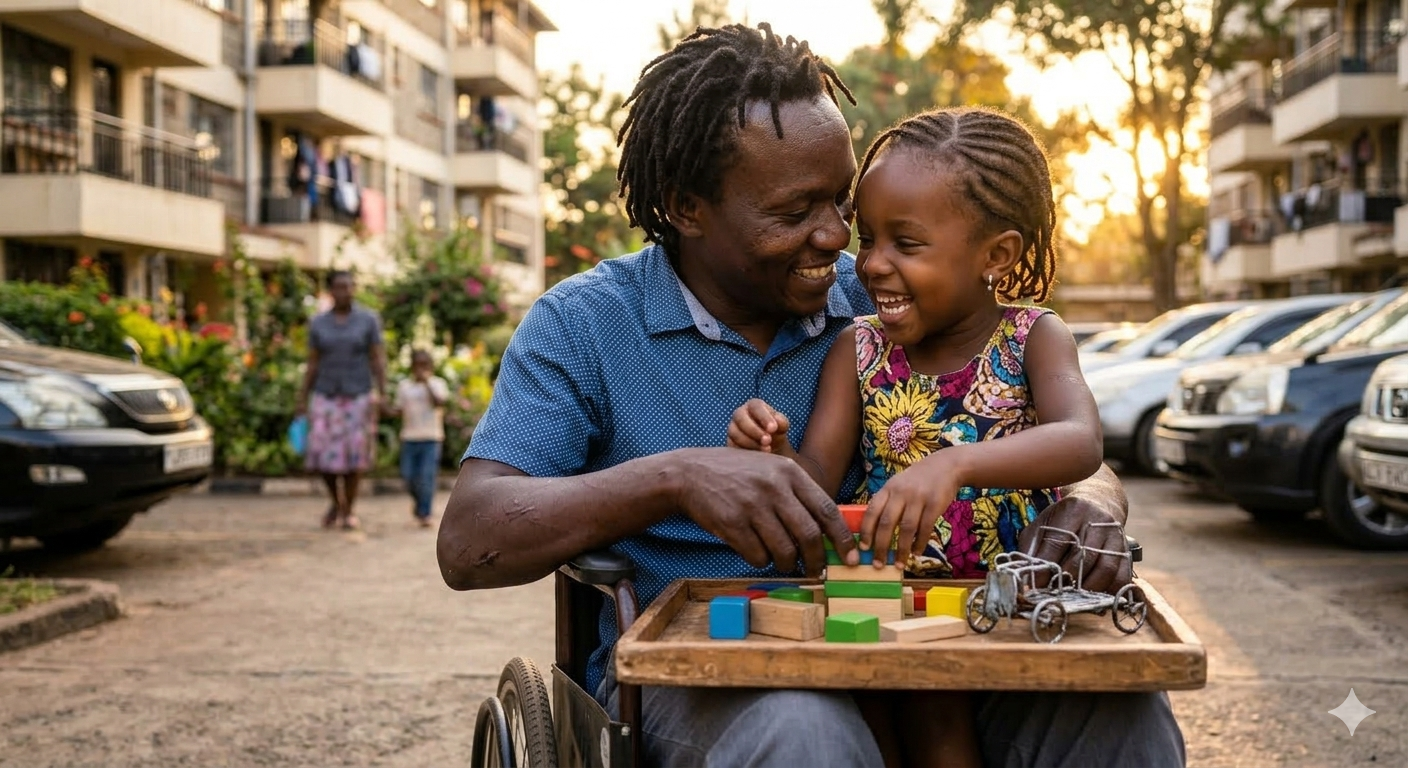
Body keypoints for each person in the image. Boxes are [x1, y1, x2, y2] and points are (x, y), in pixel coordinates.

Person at [439, 23, 1184, 768]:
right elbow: (470, 541)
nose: (836, 237)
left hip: (938, 631)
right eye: (796, 212)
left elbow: (1042, 423)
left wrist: (1090, 502)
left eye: (842, 203)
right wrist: (676, 477)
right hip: (706, 667)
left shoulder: (890, 292)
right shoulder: (586, 324)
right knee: (807, 734)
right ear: (687, 207)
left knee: (1123, 722)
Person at [727, 105, 1104, 768]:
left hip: (1012, 607)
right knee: (890, 727)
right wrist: (774, 454)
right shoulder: (858, 350)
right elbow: (816, 481)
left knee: (947, 734)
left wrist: (955, 465)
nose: (871, 264)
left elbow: (1080, 440)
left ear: (996, 255)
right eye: (868, 238)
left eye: (907, 243)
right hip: (889, 603)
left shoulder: (1033, 338)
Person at [298, 270, 386, 532]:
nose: (344, 292)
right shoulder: (318, 323)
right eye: (338, 287)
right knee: (323, 457)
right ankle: (336, 501)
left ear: (354, 288)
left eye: (348, 286)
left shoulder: (368, 320)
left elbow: (377, 357)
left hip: (357, 394)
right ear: (330, 290)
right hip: (325, 395)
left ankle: (348, 510)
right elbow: (312, 362)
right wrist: (302, 398)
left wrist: (383, 391)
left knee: (353, 458)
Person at [392, 349, 449, 528]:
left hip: (431, 438)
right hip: (409, 437)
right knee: (408, 475)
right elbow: (399, 409)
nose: (420, 369)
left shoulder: (438, 384)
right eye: (417, 365)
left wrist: (426, 384)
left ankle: (425, 513)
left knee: (426, 477)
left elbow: (439, 403)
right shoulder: (404, 387)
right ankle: (419, 504)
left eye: (424, 365)